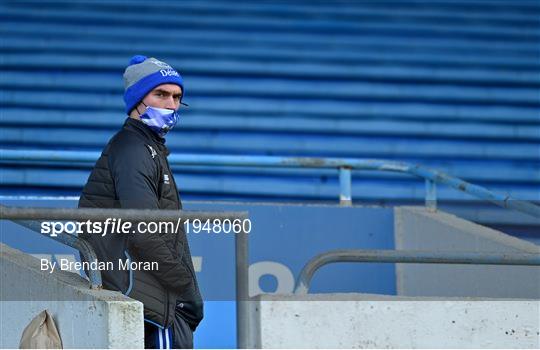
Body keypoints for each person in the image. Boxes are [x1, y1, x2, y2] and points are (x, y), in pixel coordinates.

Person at [78, 55, 203, 349]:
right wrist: (185, 287)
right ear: (137, 99)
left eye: (177, 97)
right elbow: (144, 230)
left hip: (154, 298)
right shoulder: (134, 149)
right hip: (149, 301)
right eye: (160, 94)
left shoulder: (148, 148)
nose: (171, 104)